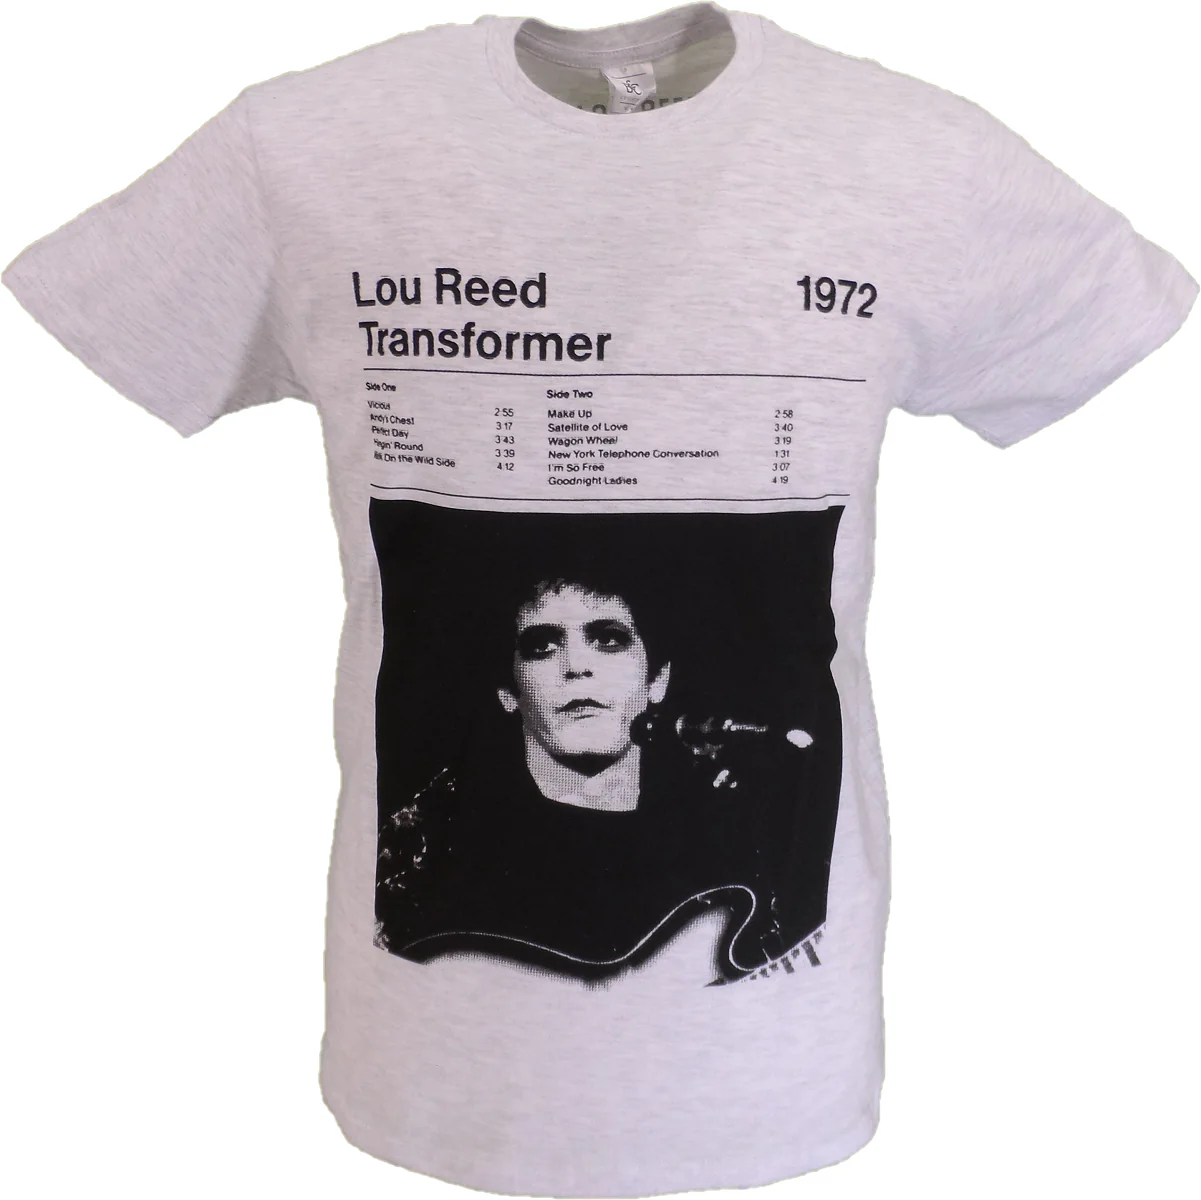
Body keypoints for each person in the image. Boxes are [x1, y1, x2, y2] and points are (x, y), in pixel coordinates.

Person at [374, 558, 824, 986]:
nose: (576, 667)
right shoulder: (426, 847)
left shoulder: (731, 832)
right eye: (542, 646)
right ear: (508, 692)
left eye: (608, 640)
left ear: (657, 681)